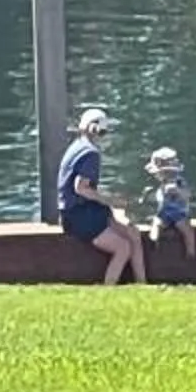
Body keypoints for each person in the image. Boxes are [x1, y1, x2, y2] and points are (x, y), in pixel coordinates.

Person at [56, 107, 146, 285]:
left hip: (81, 210)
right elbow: (81, 188)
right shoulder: (91, 153)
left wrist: (109, 202)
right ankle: (108, 289)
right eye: (102, 132)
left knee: (133, 233)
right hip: (78, 216)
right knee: (123, 248)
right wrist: (110, 200)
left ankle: (142, 284)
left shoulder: (77, 146)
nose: (103, 136)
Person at [146, 145, 195, 265]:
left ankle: (190, 251)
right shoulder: (159, 184)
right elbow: (155, 199)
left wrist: (177, 191)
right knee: (156, 223)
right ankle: (153, 241)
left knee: (185, 228)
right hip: (164, 213)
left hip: (180, 213)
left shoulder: (179, 182)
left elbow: (187, 195)